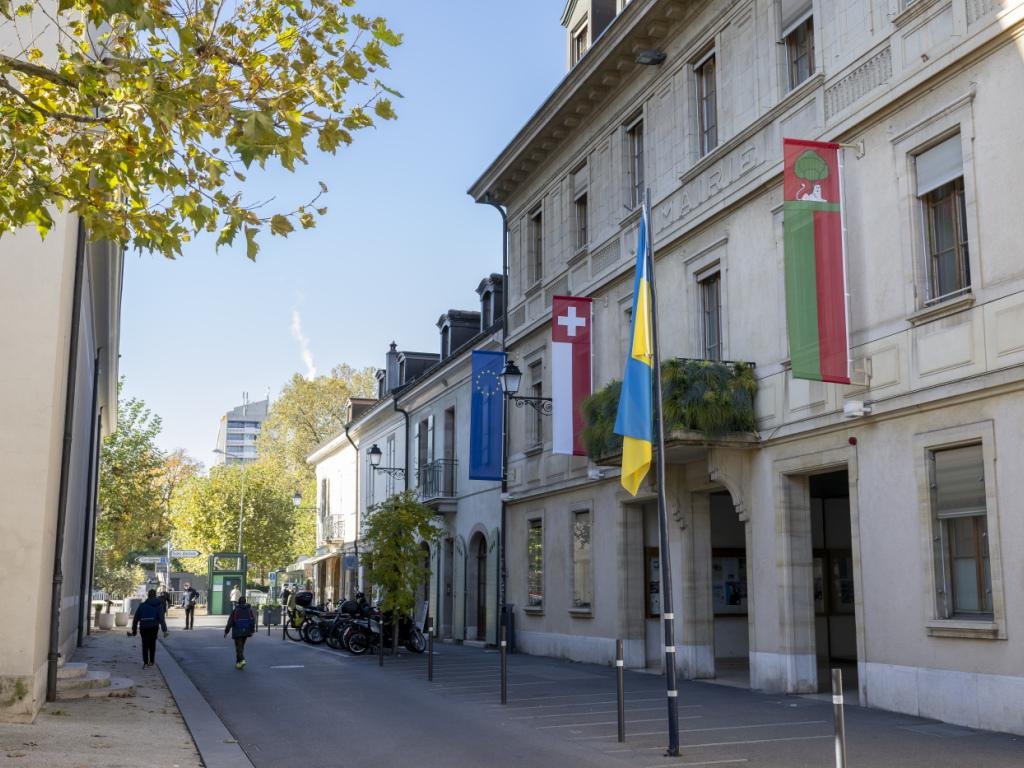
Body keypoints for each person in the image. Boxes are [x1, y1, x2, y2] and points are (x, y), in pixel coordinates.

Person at [131, 589, 168, 667]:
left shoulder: (142, 605)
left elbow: (136, 618)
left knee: (145, 644)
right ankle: (151, 661)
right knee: (152, 644)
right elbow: (161, 618)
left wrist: (134, 630)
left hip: (143, 627)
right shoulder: (158, 605)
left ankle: (145, 661)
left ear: (148, 596)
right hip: (153, 627)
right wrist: (164, 630)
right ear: (155, 595)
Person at [224, 595, 256, 669]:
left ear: (238, 602)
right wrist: (252, 630)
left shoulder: (236, 610)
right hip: (246, 630)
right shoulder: (249, 610)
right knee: (241, 647)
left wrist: (226, 631)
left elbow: (230, 621)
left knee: (238, 647)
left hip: (237, 630)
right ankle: (238, 663)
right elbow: (252, 620)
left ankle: (242, 660)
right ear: (245, 602)